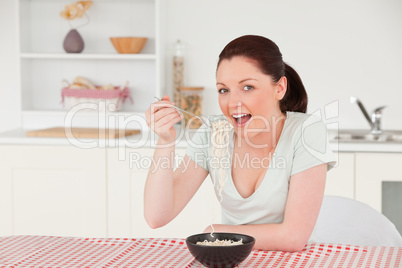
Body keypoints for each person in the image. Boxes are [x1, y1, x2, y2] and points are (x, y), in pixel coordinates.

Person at [144, 35, 336, 252]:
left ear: (279, 88)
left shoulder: (306, 132)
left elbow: (293, 238)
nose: (233, 103)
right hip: (234, 260)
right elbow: (156, 216)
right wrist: (165, 140)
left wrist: (215, 230)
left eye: (247, 87)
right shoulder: (213, 133)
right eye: (224, 90)